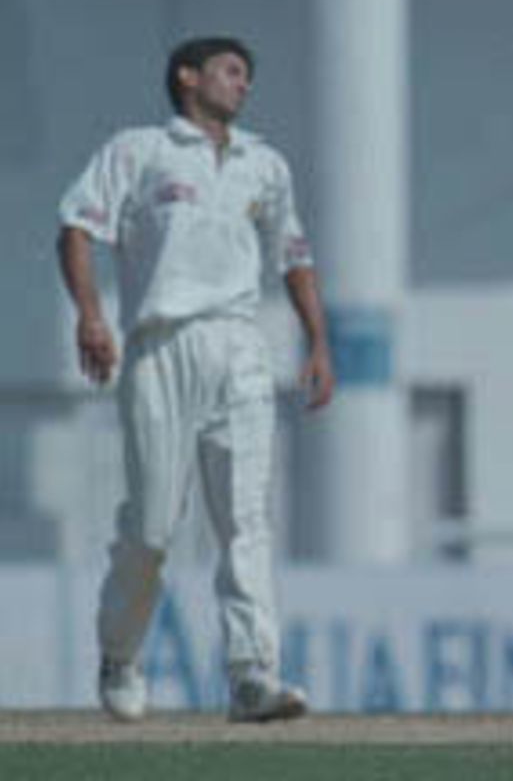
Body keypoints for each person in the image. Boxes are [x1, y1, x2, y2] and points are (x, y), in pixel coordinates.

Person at [56, 36, 335, 723]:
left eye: (248, 73)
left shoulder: (264, 164)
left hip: (240, 347)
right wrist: (92, 317)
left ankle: (251, 674)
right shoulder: (140, 150)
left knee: (245, 519)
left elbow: (293, 254)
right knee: (153, 528)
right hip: (160, 346)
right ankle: (120, 654)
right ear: (188, 77)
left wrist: (319, 342)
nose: (244, 83)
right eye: (231, 70)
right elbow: (76, 226)